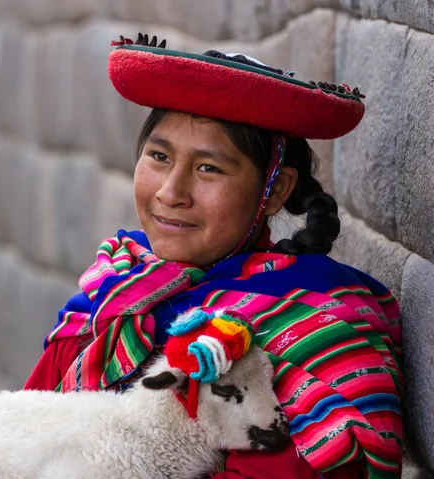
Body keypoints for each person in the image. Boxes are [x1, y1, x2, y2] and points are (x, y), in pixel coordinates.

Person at [24, 34, 403, 479]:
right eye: (159, 156)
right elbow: (20, 439)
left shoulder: (318, 329)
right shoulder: (114, 297)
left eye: (209, 168)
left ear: (275, 189)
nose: (171, 192)